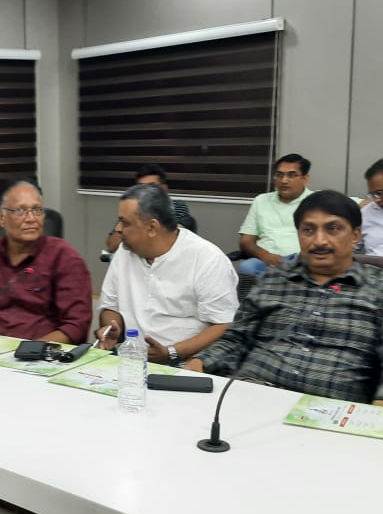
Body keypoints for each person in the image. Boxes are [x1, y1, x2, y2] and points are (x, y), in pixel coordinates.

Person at [188, 190, 383, 409]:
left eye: (333, 229)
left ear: (355, 236)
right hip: (250, 398)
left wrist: (379, 411)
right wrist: (194, 367)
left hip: (329, 412)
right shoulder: (274, 279)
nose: (319, 241)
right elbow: (235, 339)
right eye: (308, 230)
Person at [95, 184, 238, 367]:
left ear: (152, 227)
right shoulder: (125, 252)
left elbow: (223, 325)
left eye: (125, 222)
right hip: (132, 358)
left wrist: (171, 352)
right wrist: (112, 327)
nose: (118, 229)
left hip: (187, 363)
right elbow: (110, 306)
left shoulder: (207, 259)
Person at [0, 179, 92, 344]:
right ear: (2, 218)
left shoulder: (65, 258)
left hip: (42, 354)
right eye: (20, 210)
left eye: (37, 210)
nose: (31, 218)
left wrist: (28, 351)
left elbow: (76, 325)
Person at [236, 153, 314, 276]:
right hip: (266, 261)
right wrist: (264, 255)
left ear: (305, 178)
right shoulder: (261, 200)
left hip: (301, 260)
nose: (284, 181)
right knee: (246, 268)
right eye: (279, 175)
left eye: (291, 175)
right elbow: (246, 241)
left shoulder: (316, 201)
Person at [104, 164, 195, 252]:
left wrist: (131, 231)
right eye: (140, 187)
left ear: (164, 188)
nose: (145, 193)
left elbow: (170, 238)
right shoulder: (131, 209)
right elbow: (111, 246)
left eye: (151, 187)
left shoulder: (177, 206)